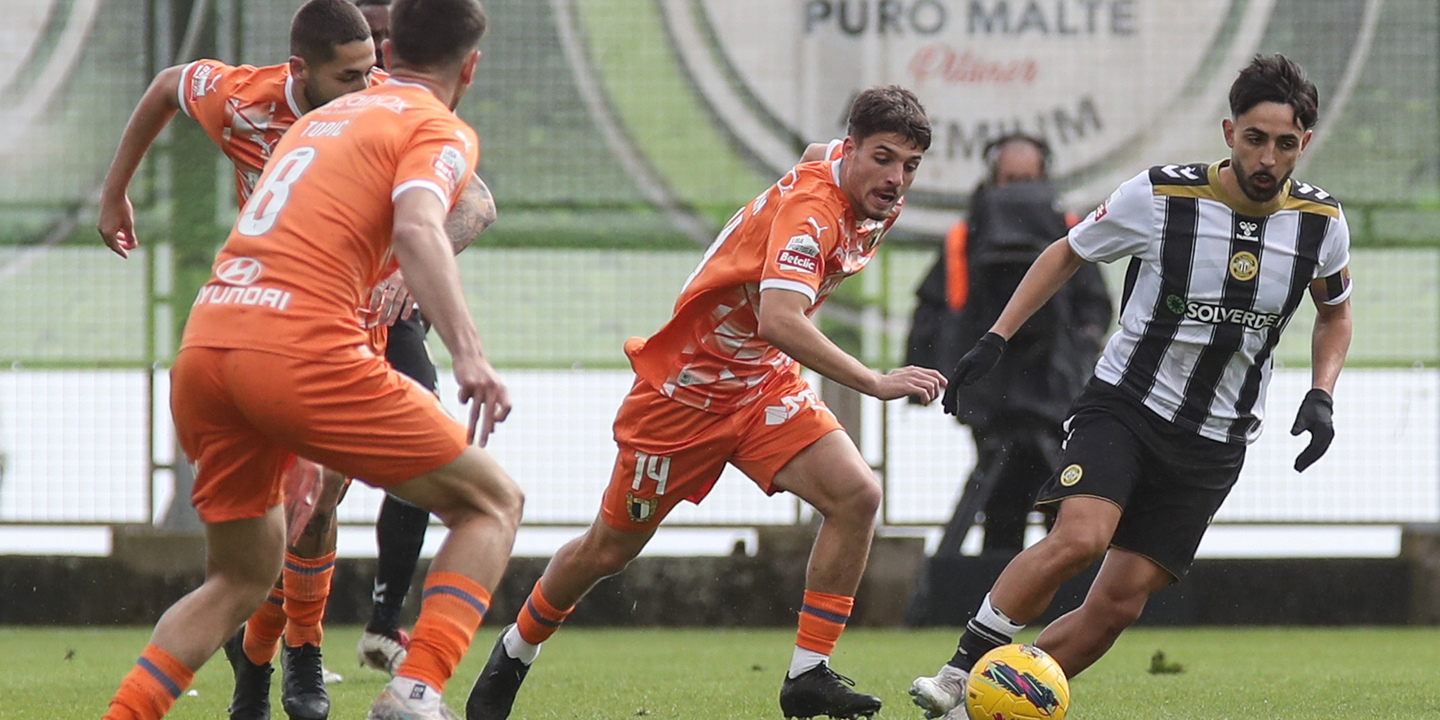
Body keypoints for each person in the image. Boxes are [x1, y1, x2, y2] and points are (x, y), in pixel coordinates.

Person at [463, 86, 944, 720]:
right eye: (883, 159)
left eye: (909, 166)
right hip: (682, 398)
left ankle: (808, 675)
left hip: (762, 387)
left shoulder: (852, 179)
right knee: (609, 550)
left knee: (857, 496)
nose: (896, 178)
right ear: (851, 150)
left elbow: (814, 152)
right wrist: (875, 381)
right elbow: (779, 318)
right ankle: (515, 651)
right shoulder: (814, 213)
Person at [95, 1, 519, 720]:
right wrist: (470, 353)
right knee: (490, 502)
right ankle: (414, 691)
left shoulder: (315, 118)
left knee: (238, 577)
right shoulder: (430, 126)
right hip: (303, 343)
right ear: (470, 67)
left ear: (386, 52)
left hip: (210, 340)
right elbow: (423, 221)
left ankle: (242, 676)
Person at [908, 53, 1352, 720]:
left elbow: (1335, 312)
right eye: (1255, 139)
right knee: (1080, 537)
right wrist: (996, 337)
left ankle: (980, 708)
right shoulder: (1158, 196)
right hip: (1127, 405)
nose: (1267, 158)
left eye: (1284, 144)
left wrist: (1323, 392)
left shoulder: (1322, 224)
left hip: (1218, 436)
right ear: (1230, 133)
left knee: (1118, 605)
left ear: (1304, 144)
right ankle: (959, 669)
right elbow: (1065, 252)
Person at [348, 0, 498, 682]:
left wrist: (404, 276)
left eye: (386, 32)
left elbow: (476, 205)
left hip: (382, 315)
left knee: (433, 445)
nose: (379, 45)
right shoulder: (322, 98)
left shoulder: (421, 117)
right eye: (368, 32)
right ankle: (284, 648)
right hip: (311, 307)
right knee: (312, 491)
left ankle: (384, 621)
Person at [906, 134, 1111, 556]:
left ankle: (1064, 593)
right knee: (1002, 501)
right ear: (994, 178)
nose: (1020, 191)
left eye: (1027, 179)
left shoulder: (1074, 232)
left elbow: (1094, 305)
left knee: (1062, 498)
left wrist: (1085, 346)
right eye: (1012, 179)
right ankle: (1000, 593)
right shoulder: (962, 239)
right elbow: (933, 310)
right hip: (990, 399)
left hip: (1056, 397)